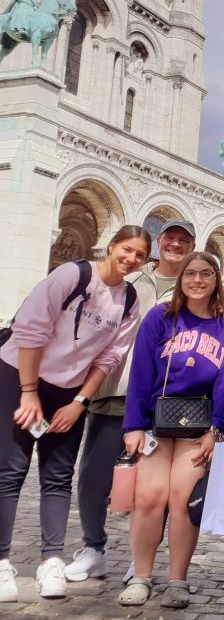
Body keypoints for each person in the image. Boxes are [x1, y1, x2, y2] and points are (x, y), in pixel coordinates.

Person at [0, 225, 150, 603]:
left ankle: (51, 560)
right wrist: (29, 392)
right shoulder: (72, 275)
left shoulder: (129, 298)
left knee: (58, 474)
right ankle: (1, 563)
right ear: (111, 246)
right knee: (11, 470)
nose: (131, 259)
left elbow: (110, 355)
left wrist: (79, 401)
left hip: (69, 391)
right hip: (19, 374)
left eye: (139, 256)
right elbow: (29, 331)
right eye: (126, 249)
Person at [67, 218, 197, 584]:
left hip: (165, 401)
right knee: (94, 473)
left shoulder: (194, 287)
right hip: (114, 388)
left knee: (154, 486)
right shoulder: (131, 281)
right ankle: (93, 548)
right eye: (170, 237)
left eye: (183, 240)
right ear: (159, 242)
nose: (175, 244)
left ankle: (141, 559)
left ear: (191, 246)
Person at [117, 251, 224, 609]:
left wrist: (216, 429)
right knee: (149, 498)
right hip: (157, 419)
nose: (197, 280)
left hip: (199, 424)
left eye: (206, 274)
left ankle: (178, 580)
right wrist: (134, 425)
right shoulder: (161, 317)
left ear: (217, 280)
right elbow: (141, 371)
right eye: (190, 274)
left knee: (184, 502)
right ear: (180, 278)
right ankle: (141, 575)